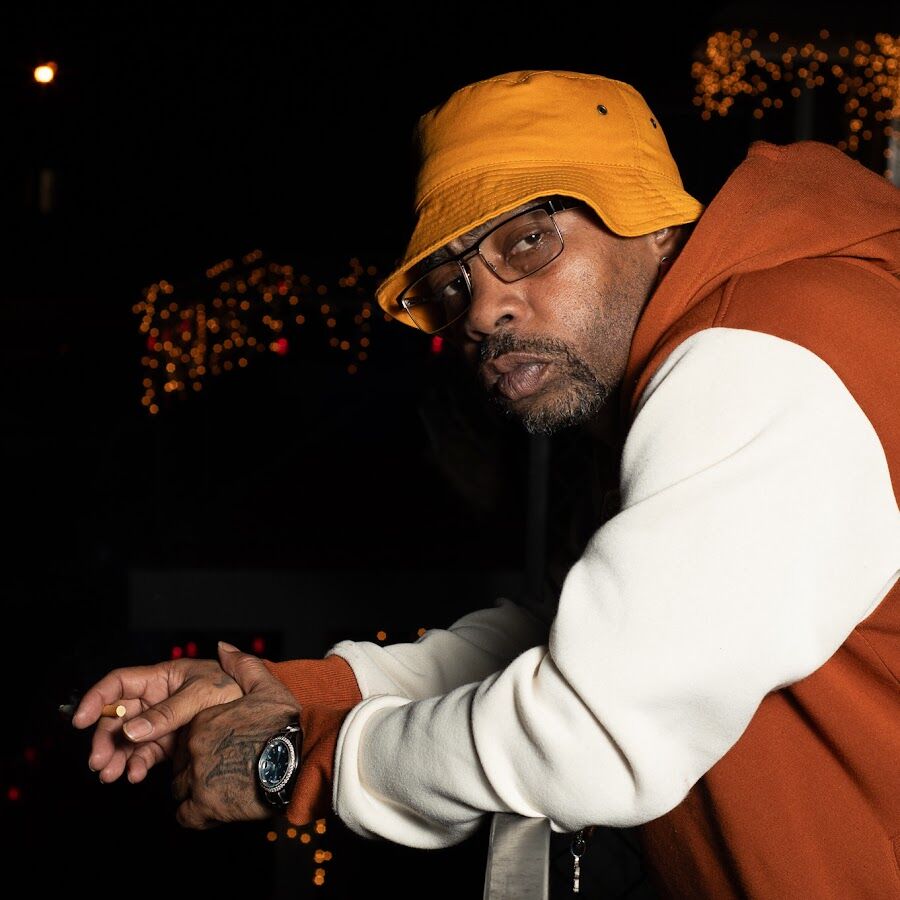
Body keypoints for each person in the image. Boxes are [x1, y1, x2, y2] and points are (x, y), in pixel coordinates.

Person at [73, 70, 900, 898]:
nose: (481, 312)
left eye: (528, 241)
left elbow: (584, 735)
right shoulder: (725, 349)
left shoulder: (761, 359)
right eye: (451, 284)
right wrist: (287, 694)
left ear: (653, 221)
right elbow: (579, 640)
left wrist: (291, 757)